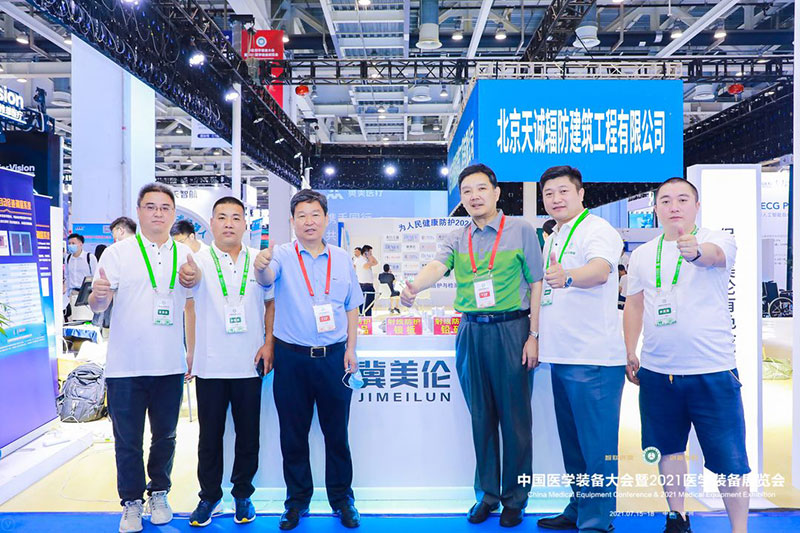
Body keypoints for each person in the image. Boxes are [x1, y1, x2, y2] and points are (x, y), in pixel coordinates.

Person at [401, 163, 543, 528]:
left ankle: (515, 499)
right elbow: (437, 266)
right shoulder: (457, 236)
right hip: (470, 332)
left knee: (515, 421)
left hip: (512, 330)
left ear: (496, 193)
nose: (474, 196)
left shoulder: (521, 230)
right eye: (466, 191)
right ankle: (488, 496)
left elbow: (537, 283)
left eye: (481, 189)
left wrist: (534, 335)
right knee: (481, 418)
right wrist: (416, 286)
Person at [623, 177, 748, 533]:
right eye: (665, 200)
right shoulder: (643, 254)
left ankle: (739, 528)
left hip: (713, 369)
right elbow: (634, 304)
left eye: (682, 199)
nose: (673, 206)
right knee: (668, 450)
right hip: (658, 371)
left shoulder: (717, 239)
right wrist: (630, 350)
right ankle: (677, 517)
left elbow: (714, 257)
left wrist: (694, 252)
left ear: (696, 205)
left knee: (730, 459)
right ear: (656, 208)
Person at [254, 189, 363, 530]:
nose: (309, 221)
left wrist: (351, 348)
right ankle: (297, 501)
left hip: (334, 358)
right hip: (292, 359)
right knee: (293, 434)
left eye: (315, 214)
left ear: (326, 219)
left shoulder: (341, 258)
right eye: (301, 215)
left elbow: (352, 306)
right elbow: (265, 279)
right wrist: (260, 265)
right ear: (292, 221)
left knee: (337, 434)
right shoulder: (281, 255)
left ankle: (342, 500)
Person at [89, 183, 194, 533]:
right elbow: (99, 305)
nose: (158, 213)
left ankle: (159, 492)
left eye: (165, 208)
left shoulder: (186, 254)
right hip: (126, 366)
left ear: (173, 214)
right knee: (128, 441)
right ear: (139, 212)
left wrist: (191, 351)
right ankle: (131, 501)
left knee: (166, 437)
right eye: (151, 207)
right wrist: (98, 295)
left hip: (169, 364)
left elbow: (193, 302)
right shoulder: (117, 253)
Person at [536, 166, 626, 533]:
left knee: (598, 447)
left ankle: (598, 520)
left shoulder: (597, 230)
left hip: (594, 358)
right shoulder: (554, 236)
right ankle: (579, 506)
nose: (555, 199)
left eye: (563, 191)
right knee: (573, 445)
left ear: (580, 194)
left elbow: (601, 270)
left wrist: (569, 276)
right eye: (549, 194)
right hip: (562, 355)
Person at [178, 196, 275, 527]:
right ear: (211, 223)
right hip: (210, 364)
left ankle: (243, 494)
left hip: (249, 363)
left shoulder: (258, 261)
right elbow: (189, 300)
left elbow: (270, 304)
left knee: (248, 435)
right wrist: (191, 351)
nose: (229, 223)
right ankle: (209, 496)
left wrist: (269, 343)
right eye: (222, 217)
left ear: (245, 224)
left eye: (236, 217)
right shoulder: (198, 260)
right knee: (210, 436)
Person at [64, 233, 98, 320]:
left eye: (73, 243)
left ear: (80, 244)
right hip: (73, 293)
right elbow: (67, 276)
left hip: (87, 294)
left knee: (88, 319)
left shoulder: (89, 257)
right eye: (69, 243)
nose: (71, 245)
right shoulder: (68, 258)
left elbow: (96, 276)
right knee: (75, 318)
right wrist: (68, 294)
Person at [355, 244, 378, 316]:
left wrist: (370, 256)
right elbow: (366, 266)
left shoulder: (365, 260)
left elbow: (376, 262)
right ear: (365, 253)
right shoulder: (361, 260)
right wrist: (369, 257)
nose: (371, 254)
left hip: (368, 286)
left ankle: (368, 319)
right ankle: (364, 319)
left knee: (369, 306)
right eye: (370, 252)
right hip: (364, 286)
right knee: (366, 306)